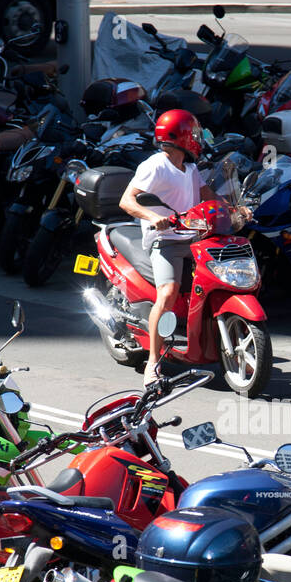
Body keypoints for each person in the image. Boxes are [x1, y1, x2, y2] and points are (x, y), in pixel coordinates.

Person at [118, 109, 228, 385]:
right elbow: (127, 201)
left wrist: (234, 209)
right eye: (194, 134)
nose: (198, 139)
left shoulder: (190, 169)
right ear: (183, 136)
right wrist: (155, 218)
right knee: (167, 294)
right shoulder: (155, 165)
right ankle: (153, 362)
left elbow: (208, 196)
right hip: (165, 241)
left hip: (194, 238)